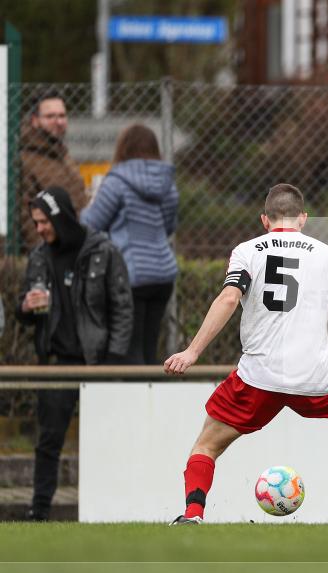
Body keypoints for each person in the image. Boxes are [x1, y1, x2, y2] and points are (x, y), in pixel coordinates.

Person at [164, 183, 328, 525]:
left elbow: (228, 299)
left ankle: (193, 514)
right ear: (303, 219)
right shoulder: (325, 253)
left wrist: (192, 351)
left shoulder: (247, 251)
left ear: (265, 220)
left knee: (206, 445)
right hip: (316, 374)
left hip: (259, 376)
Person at [16, 186, 133, 521]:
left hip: (97, 363)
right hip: (56, 363)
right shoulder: (39, 256)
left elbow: (122, 308)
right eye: (35, 223)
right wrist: (25, 306)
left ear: (60, 216)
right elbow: (22, 310)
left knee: (105, 440)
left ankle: (112, 510)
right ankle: (39, 511)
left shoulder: (103, 251)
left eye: (44, 221)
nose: (39, 229)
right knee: (48, 440)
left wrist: (112, 361)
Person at [81, 124, 179, 364]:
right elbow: (168, 226)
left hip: (129, 273)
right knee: (149, 347)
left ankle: (136, 389)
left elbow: (91, 224)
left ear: (123, 148)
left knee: (129, 349)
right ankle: (152, 386)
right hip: (163, 274)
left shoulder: (116, 182)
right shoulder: (167, 184)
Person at [18, 91, 88, 252]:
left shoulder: (63, 155)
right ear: (35, 120)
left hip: (77, 246)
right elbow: (25, 216)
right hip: (54, 252)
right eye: (50, 116)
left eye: (62, 116)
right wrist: (46, 255)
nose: (59, 122)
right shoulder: (25, 159)